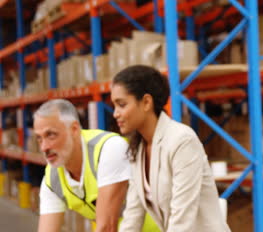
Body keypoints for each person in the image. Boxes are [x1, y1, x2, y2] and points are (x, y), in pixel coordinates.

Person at [111, 65, 230, 232]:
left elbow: (182, 218)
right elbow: (132, 216)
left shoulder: (181, 140)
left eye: (122, 105)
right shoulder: (138, 149)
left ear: (146, 102)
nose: (115, 113)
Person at [34, 99, 130, 232]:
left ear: (74, 129)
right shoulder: (52, 180)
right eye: (39, 138)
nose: (44, 147)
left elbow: (106, 226)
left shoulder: (109, 149)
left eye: (51, 135)